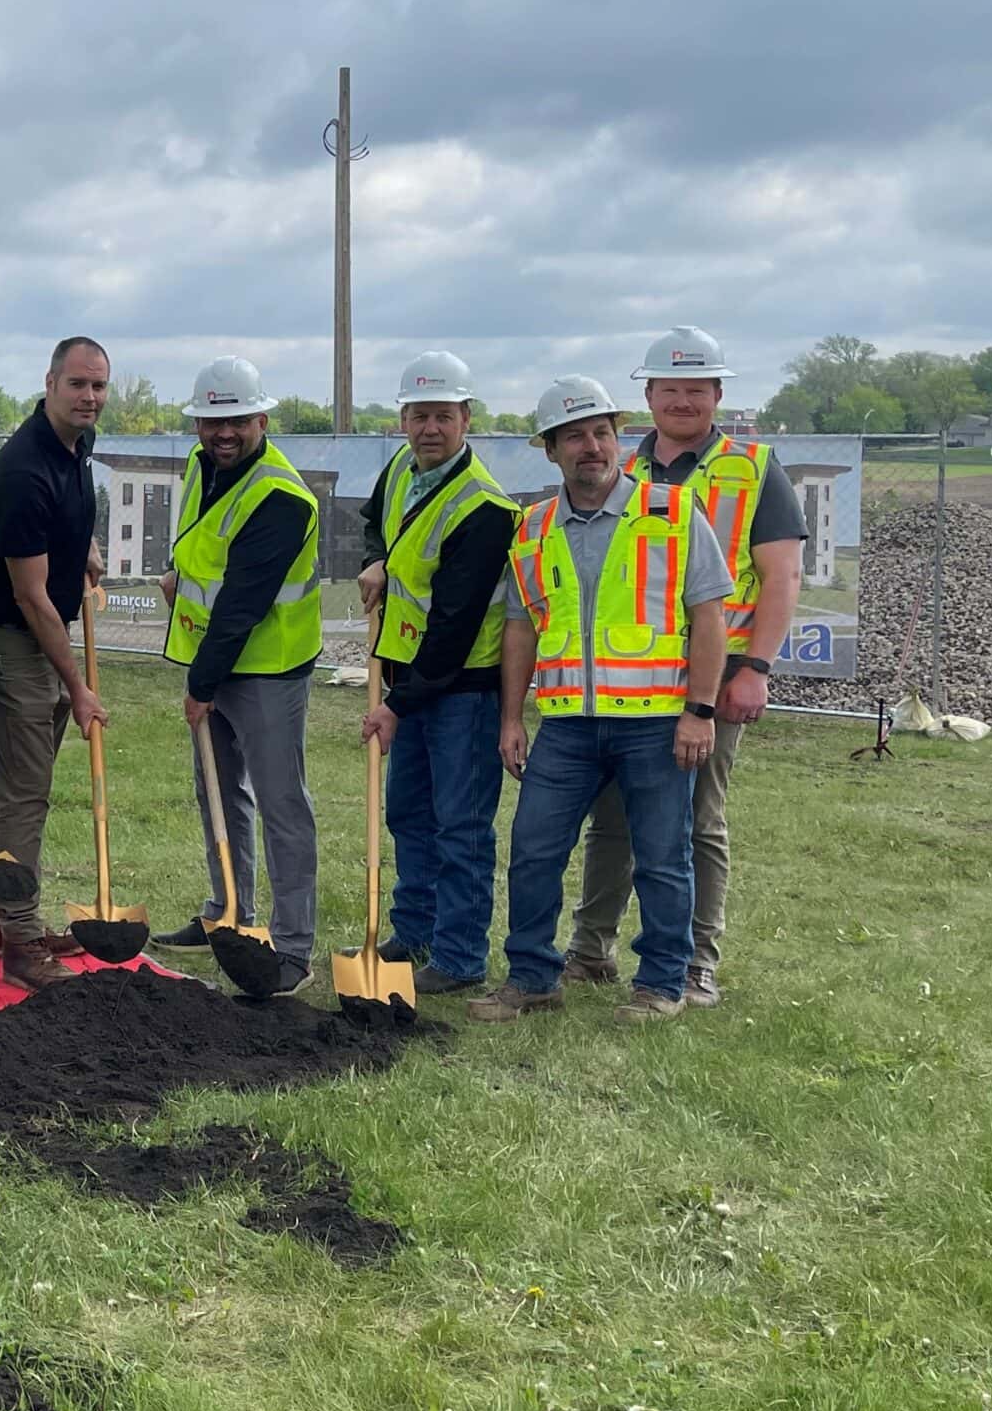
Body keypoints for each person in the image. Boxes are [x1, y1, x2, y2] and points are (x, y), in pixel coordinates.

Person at [472, 376, 732, 1026]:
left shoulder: (672, 512)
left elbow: (709, 618)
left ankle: (662, 984)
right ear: (551, 451)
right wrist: (511, 718)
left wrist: (700, 710)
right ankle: (533, 977)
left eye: (600, 433)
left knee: (662, 858)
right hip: (565, 727)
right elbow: (520, 627)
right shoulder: (532, 529)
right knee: (532, 849)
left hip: (655, 725)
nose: (591, 446)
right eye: (574, 437)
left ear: (619, 439)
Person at [565, 326, 806, 1007]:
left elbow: (781, 575)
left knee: (699, 818)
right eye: (669, 388)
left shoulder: (754, 468)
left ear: (717, 395)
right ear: (648, 394)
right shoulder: (620, 469)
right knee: (612, 816)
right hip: (629, 675)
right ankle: (591, 950)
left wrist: (755, 667)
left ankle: (698, 959)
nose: (681, 400)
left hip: (718, 668)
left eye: (695, 389)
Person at [149, 356, 323, 998]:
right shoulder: (203, 466)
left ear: (262, 419)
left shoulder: (281, 498)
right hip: (214, 658)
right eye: (211, 420)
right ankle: (229, 914)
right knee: (219, 792)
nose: (223, 433)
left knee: (281, 803)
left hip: (268, 668)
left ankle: (293, 947)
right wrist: (173, 570)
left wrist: (199, 685)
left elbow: (244, 603)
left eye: (237, 421)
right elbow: (201, 542)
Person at [354, 353, 518, 996]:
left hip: (462, 690)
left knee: (461, 824)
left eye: (444, 416)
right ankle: (414, 929)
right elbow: (376, 524)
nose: (431, 428)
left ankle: (459, 955)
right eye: (420, 415)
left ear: (466, 418)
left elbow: (452, 629)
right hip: (409, 679)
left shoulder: (484, 508)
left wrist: (396, 704)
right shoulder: (400, 469)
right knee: (407, 814)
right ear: (403, 419)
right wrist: (375, 560)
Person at [0, 335, 110, 987]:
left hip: (40, 630)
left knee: (12, 782)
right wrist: (77, 686)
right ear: (50, 383)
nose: (89, 397)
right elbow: (29, 594)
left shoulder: (75, 449)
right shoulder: (24, 468)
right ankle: (23, 944)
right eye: (78, 384)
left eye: (98, 386)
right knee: (27, 791)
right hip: (13, 637)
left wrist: (82, 545)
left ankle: (4, 918)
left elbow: (62, 522)